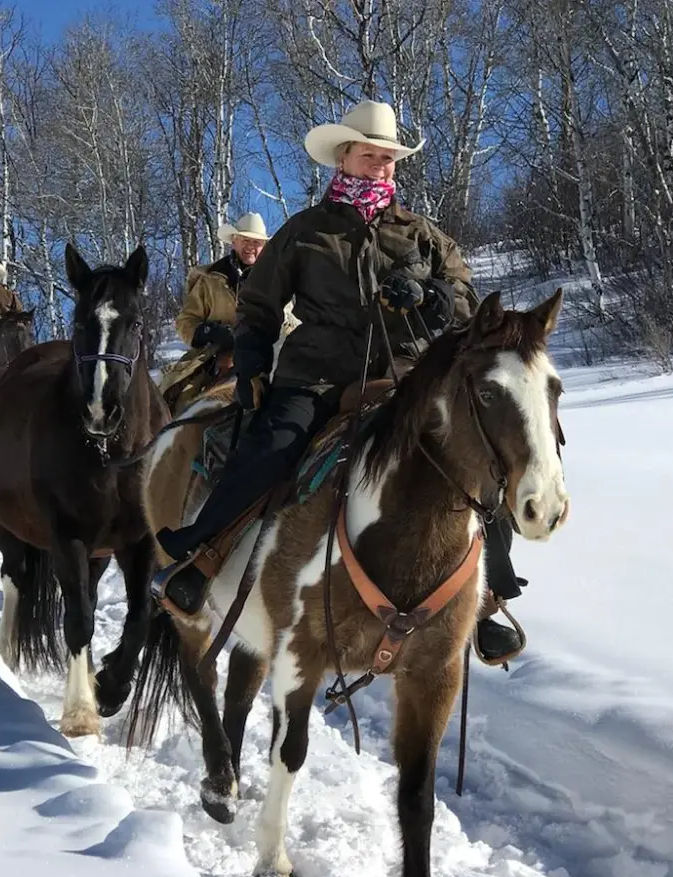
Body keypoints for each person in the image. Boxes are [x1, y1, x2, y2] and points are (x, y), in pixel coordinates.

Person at [151, 100, 527, 662]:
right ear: (344, 157)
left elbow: (468, 304)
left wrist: (430, 295)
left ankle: (489, 597)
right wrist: (252, 367)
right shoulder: (304, 232)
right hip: (318, 375)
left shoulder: (423, 235)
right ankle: (202, 558)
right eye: (371, 154)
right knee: (274, 446)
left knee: (477, 453)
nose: (382, 165)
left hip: (406, 376)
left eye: (390, 157)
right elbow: (257, 308)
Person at [159, 213, 276, 408]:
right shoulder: (210, 279)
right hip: (214, 357)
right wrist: (211, 333)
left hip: (263, 355)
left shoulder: (273, 281)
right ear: (234, 242)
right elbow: (186, 321)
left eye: (256, 242)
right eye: (245, 240)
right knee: (179, 399)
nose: (250, 246)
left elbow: (287, 320)